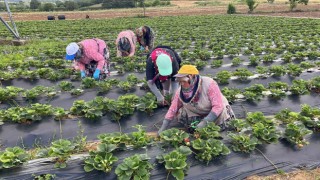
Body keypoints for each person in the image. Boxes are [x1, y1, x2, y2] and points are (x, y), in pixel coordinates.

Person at [158, 65, 235, 134]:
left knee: (216, 128)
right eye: (180, 82)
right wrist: (164, 126)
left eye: (184, 81)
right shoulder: (180, 92)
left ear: (192, 77)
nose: (182, 84)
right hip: (197, 112)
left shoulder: (209, 84)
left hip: (215, 111)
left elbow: (218, 106)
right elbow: (173, 108)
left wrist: (205, 122)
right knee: (187, 120)